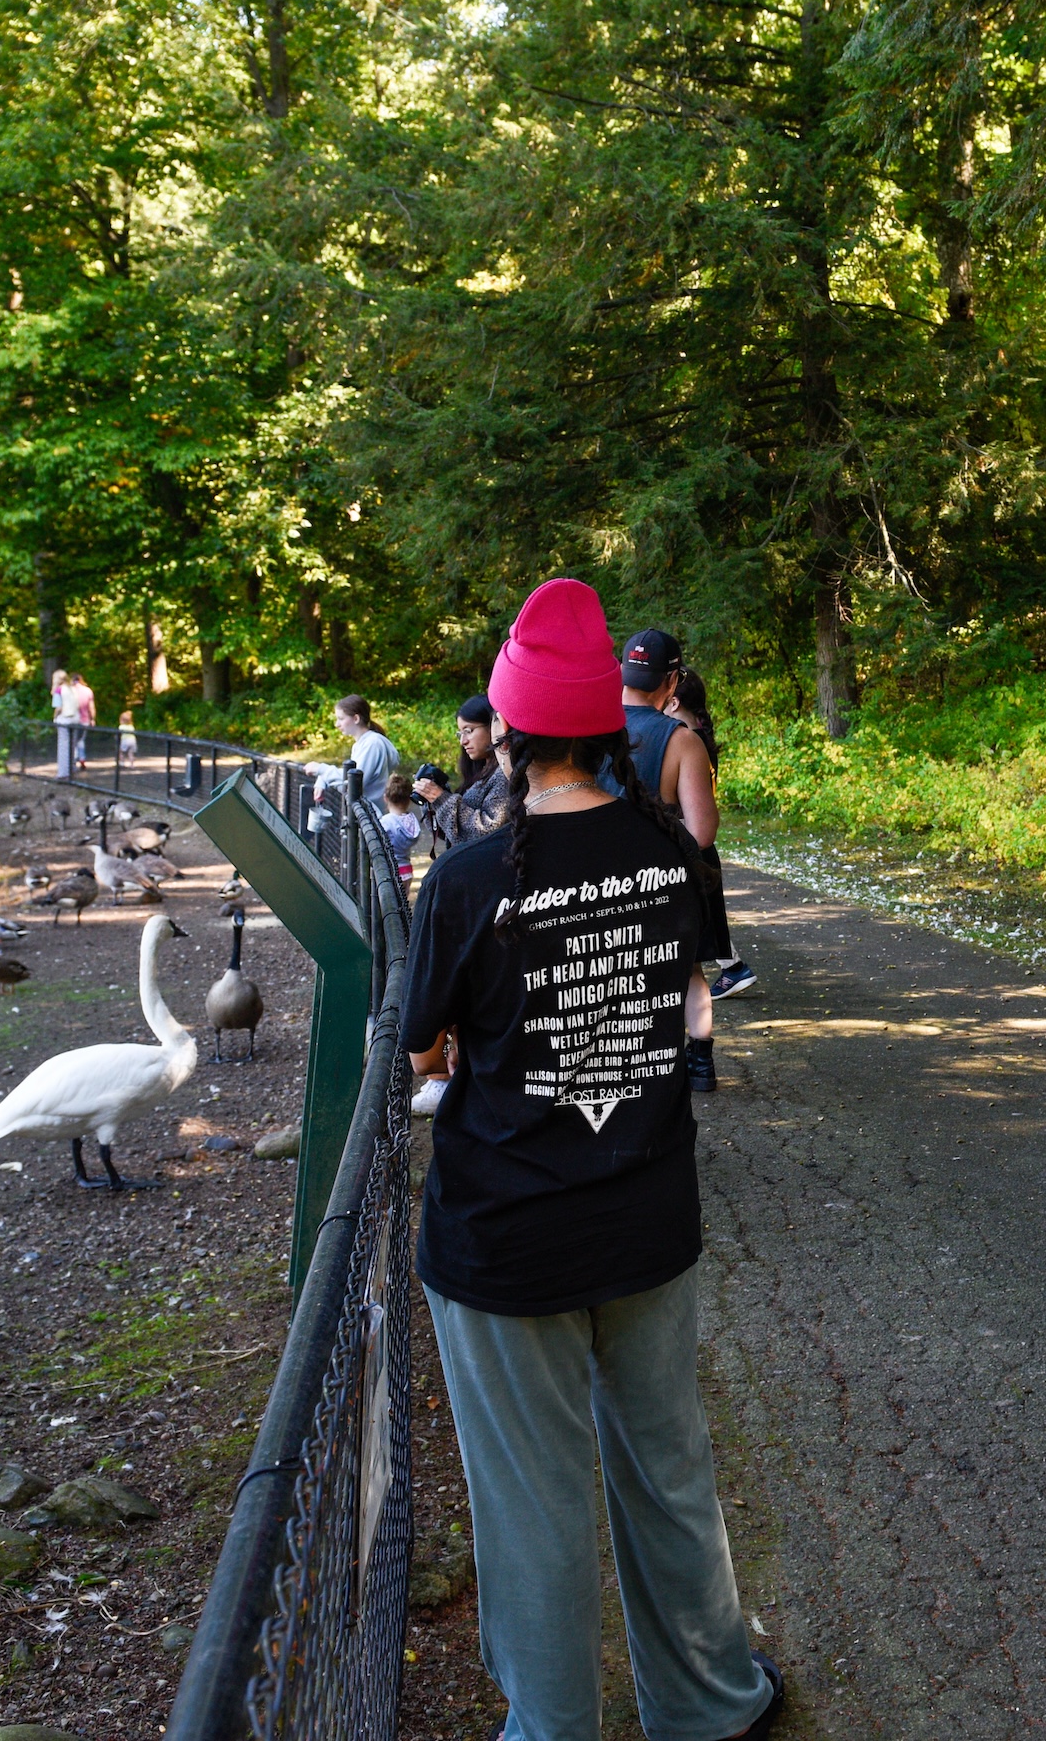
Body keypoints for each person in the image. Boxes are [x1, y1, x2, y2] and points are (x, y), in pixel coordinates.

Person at [405, 576, 782, 1741]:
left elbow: (424, 1042)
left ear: (509, 733)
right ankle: (708, 1702)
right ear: (611, 728)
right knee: (669, 1472)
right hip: (649, 1214)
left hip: (506, 1236)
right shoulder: (669, 852)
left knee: (534, 1504)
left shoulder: (470, 880)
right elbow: (689, 1006)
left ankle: (555, 1726)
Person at [613, 631, 729, 1091]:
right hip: (666, 876)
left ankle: (631, 1065)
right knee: (688, 970)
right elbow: (701, 832)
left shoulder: (587, 730)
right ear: (672, 680)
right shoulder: (682, 741)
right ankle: (699, 1064)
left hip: (599, 872)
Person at [666, 668, 757, 998]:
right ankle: (732, 968)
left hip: (692, 842)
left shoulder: (685, 741)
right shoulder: (697, 734)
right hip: (697, 842)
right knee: (706, 920)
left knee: (700, 924)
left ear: (674, 702)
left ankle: (732, 969)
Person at [309, 694, 402, 818]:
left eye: (341, 718)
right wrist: (322, 779)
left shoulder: (372, 744)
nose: (337, 724)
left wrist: (320, 769)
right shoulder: (364, 743)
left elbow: (354, 783)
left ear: (356, 719)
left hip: (373, 821)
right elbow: (349, 776)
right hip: (368, 817)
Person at [444, 694, 513, 850]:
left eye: (469, 731)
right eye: (460, 734)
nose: (463, 741)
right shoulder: (481, 769)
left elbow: (485, 831)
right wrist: (434, 800)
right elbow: (452, 833)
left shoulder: (505, 773)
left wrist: (441, 799)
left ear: (495, 725)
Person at [380, 772, 424, 876]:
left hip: (390, 868)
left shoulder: (385, 822)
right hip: (406, 868)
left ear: (385, 798)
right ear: (410, 800)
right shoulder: (411, 820)